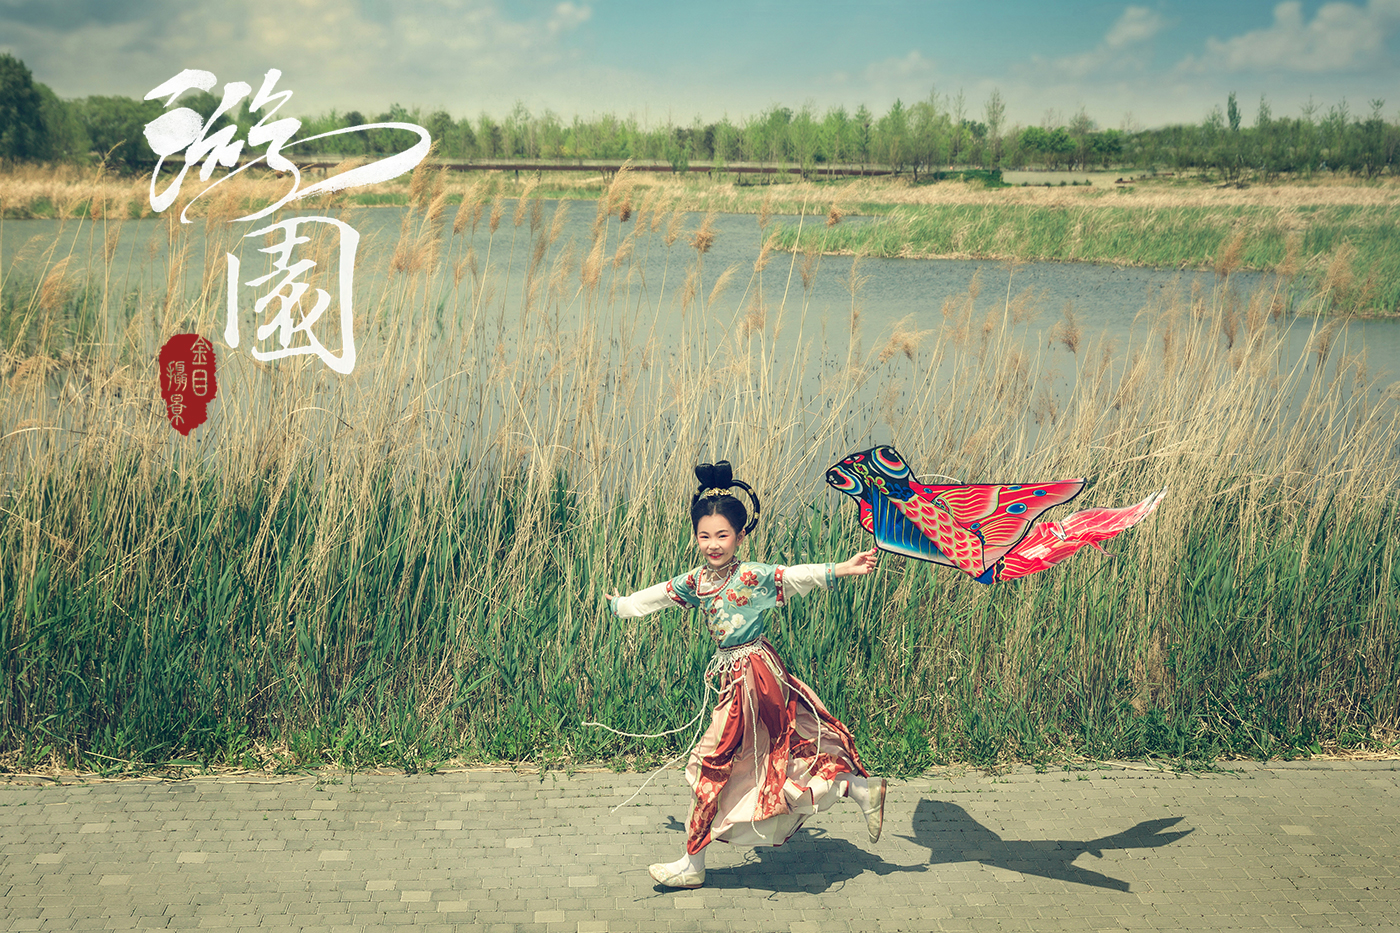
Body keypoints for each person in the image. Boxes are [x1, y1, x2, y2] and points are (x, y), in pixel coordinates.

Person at [606, 461, 885, 889]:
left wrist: (843, 568)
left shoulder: (751, 575)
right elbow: (660, 594)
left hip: (753, 677)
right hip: (735, 678)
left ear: (739, 536)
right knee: (769, 759)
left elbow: (794, 575)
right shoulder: (697, 581)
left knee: (714, 764)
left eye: (722, 535)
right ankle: (855, 788)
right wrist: (623, 605)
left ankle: (692, 864)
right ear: (695, 536)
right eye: (704, 536)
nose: (713, 544)